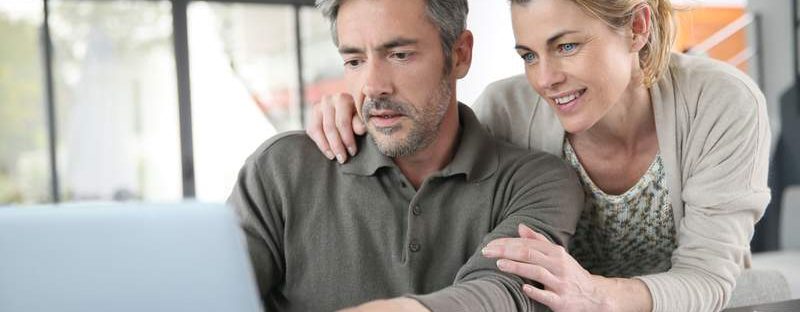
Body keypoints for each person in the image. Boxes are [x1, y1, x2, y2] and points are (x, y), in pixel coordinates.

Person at [305, 0, 773, 311]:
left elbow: (708, 278)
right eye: (528, 55)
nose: (545, 78)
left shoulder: (721, 103)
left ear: (637, 27)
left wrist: (594, 296)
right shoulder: (504, 109)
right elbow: (430, 159)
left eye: (566, 46)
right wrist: (365, 112)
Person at [227, 0, 584, 311]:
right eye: (354, 60)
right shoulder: (280, 170)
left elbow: (507, 292)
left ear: (459, 55)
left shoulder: (538, 182)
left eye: (399, 55)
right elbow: (210, 294)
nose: (372, 85)